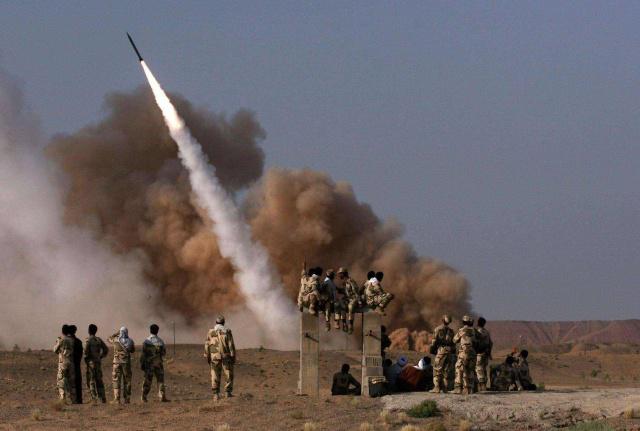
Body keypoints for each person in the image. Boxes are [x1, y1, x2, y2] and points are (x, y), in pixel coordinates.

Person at [205, 315, 236, 401]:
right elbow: (231, 345)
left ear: (216, 322)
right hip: (226, 356)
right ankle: (227, 393)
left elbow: (207, 345)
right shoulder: (227, 331)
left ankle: (216, 395)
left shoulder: (210, 332)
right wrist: (233, 356)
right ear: (223, 323)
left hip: (214, 356)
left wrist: (207, 356)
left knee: (214, 374)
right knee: (228, 374)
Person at [141, 324, 168, 402]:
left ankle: (144, 397)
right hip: (158, 364)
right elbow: (163, 353)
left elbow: (143, 354)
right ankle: (162, 396)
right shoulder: (161, 341)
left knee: (148, 381)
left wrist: (142, 363)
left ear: (150, 330)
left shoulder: (146, 341)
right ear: (157, 331)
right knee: (160, 380)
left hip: (149, 364)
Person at [108, 327, 135, 404]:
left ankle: (117, 399)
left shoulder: (115, 340)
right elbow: (133, 350)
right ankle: (127, 399)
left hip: (116, 363)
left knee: (116, 380)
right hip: (126, 363)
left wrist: (116, 333)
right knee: (127, 380)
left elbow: (109, 339)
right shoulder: (130, 341)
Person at [430, 315, 455, 393]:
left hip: (441, 350)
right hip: (449, 351)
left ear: (442, 320)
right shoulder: (451, 331)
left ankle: (436, 387)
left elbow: (434, 341)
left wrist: (432, 349)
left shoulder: (438, 329)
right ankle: (445, 388)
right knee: (446, 370)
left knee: (437, 369)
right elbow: (453, 343)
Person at [453, 315, 478, 395]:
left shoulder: (461, 330)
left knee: (459, 368)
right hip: (472, 353)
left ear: (463, 322)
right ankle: (470, 389)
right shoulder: (474, 331)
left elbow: (454, 340)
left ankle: (458, 388)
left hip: (463, 353)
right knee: (470, 370)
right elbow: (477, 341)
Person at [84, 324, 108, 403]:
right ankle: (102, 398)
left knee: (91, 381)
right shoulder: (99, 340)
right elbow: (106, 349)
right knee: (99, 380)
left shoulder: (88, 340)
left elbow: (86, 352)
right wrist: (100, 356)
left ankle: (94, 399)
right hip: (98, 362)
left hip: (91, 363)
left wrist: (86, 359)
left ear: (89, 331)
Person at [337, 268, 362, 333]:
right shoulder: (344, 282)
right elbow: (345, 291)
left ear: (343, 274)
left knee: (350, 307)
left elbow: (356, 291)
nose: (339, 275)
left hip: (353, 298)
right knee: (342, 305)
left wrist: (359, 301)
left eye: (340, 274)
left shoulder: (351, 281)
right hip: (347, 298)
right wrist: (337, 289)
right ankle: (344, 324)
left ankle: (351, 325)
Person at [53, 324, 74, 403]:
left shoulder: (61, 340)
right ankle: (72, 398)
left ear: (62, 331)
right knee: (70, 381)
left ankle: (62, 398)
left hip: (63, 363)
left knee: (61, 380)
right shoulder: (72, 340)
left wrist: (57, 342)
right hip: (70, 363)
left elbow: (55, 350)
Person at [475, 317, 493, 392]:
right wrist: (489, 353)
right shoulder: (487, 332)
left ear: (478, 323)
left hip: (479, 353)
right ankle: (484, 385)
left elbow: (475, 342)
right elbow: (491, 343)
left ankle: (482, 386)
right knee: (484, 369)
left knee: (478, 368)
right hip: (486, 353)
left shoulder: (477, 331)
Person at [67, 325, 83, 404]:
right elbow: (81, 354)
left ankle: (71, 400)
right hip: (76, 364)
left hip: (69, 364)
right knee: (77, 381)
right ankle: (78, 400)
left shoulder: (66, 341)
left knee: (69, 382)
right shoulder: (78, 341)